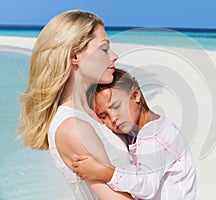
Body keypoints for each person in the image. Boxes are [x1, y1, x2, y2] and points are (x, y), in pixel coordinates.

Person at [17, 10, 133, 199]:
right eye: (104, 49)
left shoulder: (97, 111)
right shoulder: (73, 128)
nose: (114, 56)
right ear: (74, 57)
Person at [72, 69, 197, 199]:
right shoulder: (143, 130)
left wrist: (104, 172)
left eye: (116, 106)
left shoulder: (153, 138)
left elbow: (147, 186)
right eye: (104, 116)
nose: (113, 118)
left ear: (135, 95)